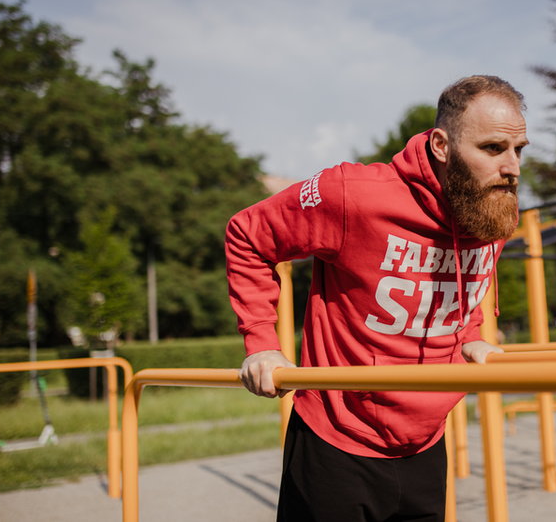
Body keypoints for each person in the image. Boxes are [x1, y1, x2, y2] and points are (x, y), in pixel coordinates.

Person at [225, 74, 528, 521]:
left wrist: (471, 332)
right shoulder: (352, 195)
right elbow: (248, 236)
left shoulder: (490, 208)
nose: (512, 167)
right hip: (338, 437)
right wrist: (262, 344)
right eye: (492, 148)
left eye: (519, 150)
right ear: (442, 147)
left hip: (426, 439)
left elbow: (463, 283)